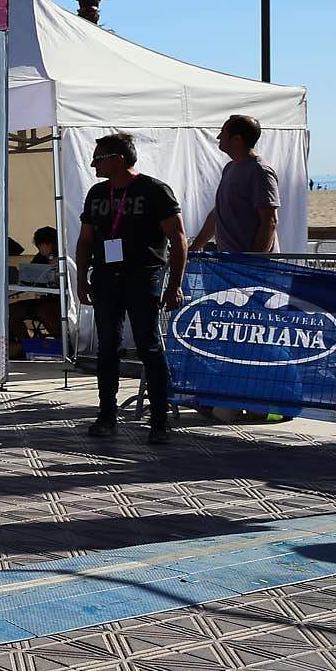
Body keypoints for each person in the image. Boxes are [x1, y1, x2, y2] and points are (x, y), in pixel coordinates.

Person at [75, 133, 187, 443]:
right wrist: (81, 278)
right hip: (106, 277)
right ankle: (106, 415)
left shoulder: (154, 190)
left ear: (118, 159)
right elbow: (86, 239)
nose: (93, 165)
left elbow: (178, 238)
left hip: (142, 276)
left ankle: (160, 421)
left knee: (149, 345)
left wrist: (174, 284)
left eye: (98, 158)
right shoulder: (97, 193)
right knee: (107, 347)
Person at [191, 114, 280, 255]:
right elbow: (217, 214)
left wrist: (253, 261)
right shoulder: (229, 168)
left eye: (223, 132)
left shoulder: (260, 171)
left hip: (251, 265)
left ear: (237, 139)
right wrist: (194, 248)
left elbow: (270, 221)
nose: (218, 137)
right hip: (230, 262)